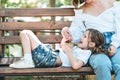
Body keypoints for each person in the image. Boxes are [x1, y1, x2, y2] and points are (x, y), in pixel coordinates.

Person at [61, 0, 120, 80]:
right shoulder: (81, 11)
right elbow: (76, 34)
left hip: (116, 43)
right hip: (94, 48)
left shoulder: (113, 4)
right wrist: (67, 32)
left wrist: (114, 45)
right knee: (101, 64)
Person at [9, 29, 105, 70]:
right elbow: (63, 48)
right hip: (48, 56)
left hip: (48, 58)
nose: (81, 37)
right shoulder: (79, 48)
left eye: (84, 36)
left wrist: (69, 52)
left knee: (26, 33)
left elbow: (76, 66)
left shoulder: (85, 53)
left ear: (91, 44)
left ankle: (28, 60)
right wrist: (64, 41)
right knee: (25, 33)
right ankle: (28, 59)